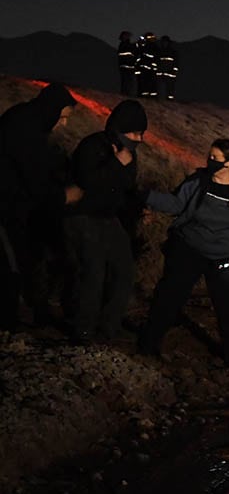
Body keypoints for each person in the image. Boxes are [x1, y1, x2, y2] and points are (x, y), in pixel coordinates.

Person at [139, 138, 229, 367]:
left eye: (216, 158)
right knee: (168, 298)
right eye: (209, 157)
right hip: (190, 250)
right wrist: (145, 197)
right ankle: (147, 346)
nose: (210, 161)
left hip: (228, 257)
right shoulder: (198, 182)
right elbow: (176, 203)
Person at [64, 99, 147, 343]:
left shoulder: (129, 153)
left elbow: (126, 188)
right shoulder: (92, 146)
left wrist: (138, 208)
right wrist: (116, 164)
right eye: (134, 133)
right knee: (93, 272)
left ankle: (108, 329)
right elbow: (87, 183)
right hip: (83, 216)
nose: (139, 139)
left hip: (108, 218)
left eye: (141, 134)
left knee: (123, 271)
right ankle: (84, 331)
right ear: (120, 129)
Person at [0, 84, 82, 331]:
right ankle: (7, 324)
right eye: (63, 117)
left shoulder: (28, 121)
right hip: (5, 206)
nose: (64, 124)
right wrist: (63, 196)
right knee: (10, 264)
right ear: (51, 111)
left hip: (14, 205)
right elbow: (32, 176)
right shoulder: (24, 128)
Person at [156, 35, 179, 100]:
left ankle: (170, 100)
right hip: (161, 73)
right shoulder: (159, 52)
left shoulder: (173, 52)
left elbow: (176, 63)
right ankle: (160, 100)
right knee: (160, 87)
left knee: (170, 88)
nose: (164, 43)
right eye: (163, 42)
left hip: (170, 73)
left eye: (165, 42)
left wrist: (174, 71)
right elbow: (157, 62)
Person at [117, 31, 138, 96]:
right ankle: (125, 93)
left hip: (129, 66)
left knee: (129, 81)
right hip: (125, 66)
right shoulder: (125, 45)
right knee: (125, 81)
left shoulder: (128, 45)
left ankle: (128, 93)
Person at [137, 32, 158, 97]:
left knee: (149, 83)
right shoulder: (144, 46)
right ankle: (147, 96)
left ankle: (149, 96)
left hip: (150, 69)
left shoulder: (151, 47)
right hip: (146, 69)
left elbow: (152, 57)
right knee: (145, 83)